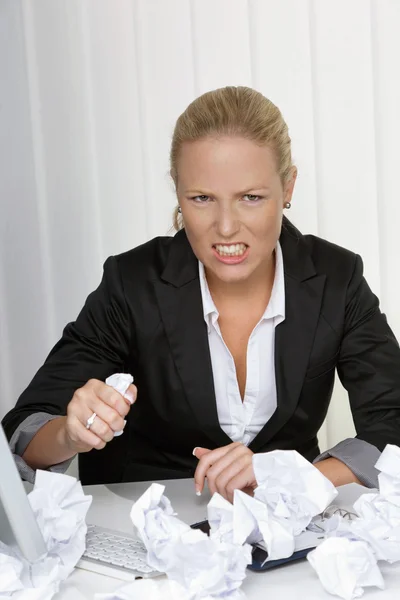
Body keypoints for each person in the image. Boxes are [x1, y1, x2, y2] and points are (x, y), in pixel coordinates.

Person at [3, 86, 400, 503]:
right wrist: (69, 433)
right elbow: (22, 430)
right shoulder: (132, 282)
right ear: (178, 192)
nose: (226, 227)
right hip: (144, 534)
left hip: (285, 535)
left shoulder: (336, 278)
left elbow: (393, 422)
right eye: (202, 198)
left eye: (250, 197)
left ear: (288, 187)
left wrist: (291, 475)